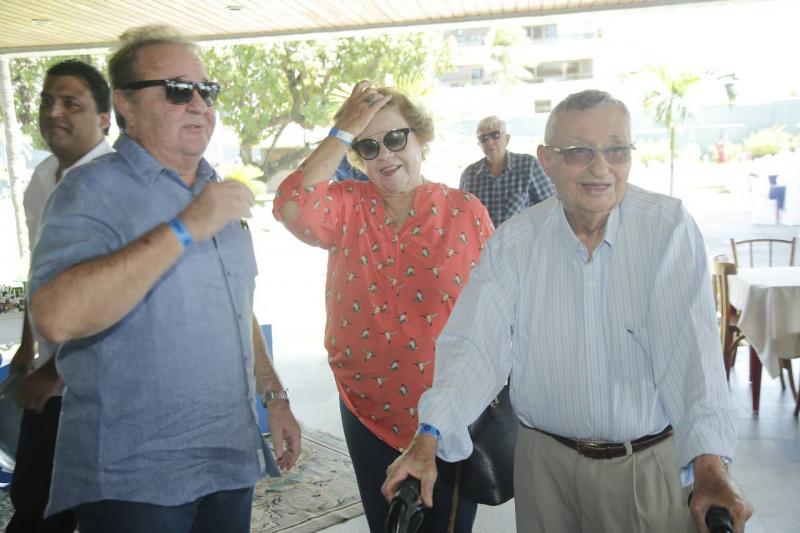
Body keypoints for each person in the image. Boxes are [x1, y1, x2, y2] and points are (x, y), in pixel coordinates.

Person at [383, 90, 753, 533]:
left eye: (616, 150)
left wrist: (710, 466)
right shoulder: (514, 243)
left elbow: (692, 357)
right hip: (544, 472)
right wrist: (429, 435)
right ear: (547, 161)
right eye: (579, 152)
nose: (601, 168)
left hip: (644, 469)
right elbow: (474, 348)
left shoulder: (667, 228)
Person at [27, 25, 301, 533]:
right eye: (177, 90)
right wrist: (186, 227)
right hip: (136, 478)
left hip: (228, 460)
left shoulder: (214, 190)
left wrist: (274, 396)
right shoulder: (90, 191)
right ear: (125, 104)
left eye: (206, 90)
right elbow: (57, 316)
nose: (199, 104)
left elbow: (235, 305)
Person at [273, 82, 492, 532]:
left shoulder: (465, 211)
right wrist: (343, 129)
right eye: (368, 146)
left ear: (420, 137)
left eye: (395, 138)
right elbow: (292, 206)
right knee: (386, 525)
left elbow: (496, 311)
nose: (385, 155)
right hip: (365, 407)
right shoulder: (346, 206)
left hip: (447, 411)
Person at [7, 59, 113, 533]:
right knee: (35, 501)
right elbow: (41, 271)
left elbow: (117, 295)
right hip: (52, 377)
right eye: (48, 101)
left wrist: (54, 371)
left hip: (105, 389)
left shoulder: (119, 183)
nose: (53, 112)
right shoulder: (42, 178)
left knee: (97, 510)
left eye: (72, 103)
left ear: (105, 117)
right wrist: (29, 346)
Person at [459, 115, 554, 226]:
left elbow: (551, 207)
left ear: (507, 139)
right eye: (483, 138)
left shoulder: (528, 165)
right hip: (481, 237)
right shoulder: (469, 175)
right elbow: (461, 214)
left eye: (495, 135)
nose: (489, 142)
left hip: (522, 236)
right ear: (479, 144)